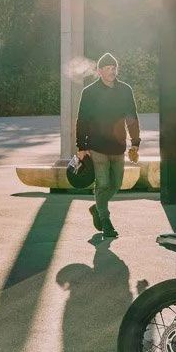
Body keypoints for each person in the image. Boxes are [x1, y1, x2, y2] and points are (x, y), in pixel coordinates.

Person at [75, 52, 140, 239]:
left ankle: (97, 207)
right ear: (99, 71)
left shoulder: (125, 90)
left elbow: (132, 117)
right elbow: (82, 120)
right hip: (96, 146)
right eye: (108, 68)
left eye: (114, 68)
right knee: (103, 185)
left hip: (118, 146)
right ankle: (106, 222)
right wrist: (81, 147)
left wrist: (135, 142)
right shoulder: (89, 92)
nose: (112, 71)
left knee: (116, 184)